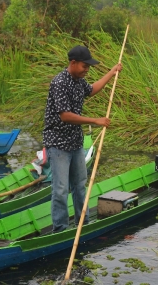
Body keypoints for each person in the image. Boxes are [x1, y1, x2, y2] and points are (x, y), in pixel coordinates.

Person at [43, 45, 122, 233]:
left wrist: (111, 73)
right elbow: (65, 115)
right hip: (58, 143)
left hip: (75, 142)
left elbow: (92, 89)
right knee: (61, 189)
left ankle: (82, 223)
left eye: (89, 67)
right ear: (73, 63)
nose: (87, 70)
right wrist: (96, 120)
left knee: (79, 185)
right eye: (84, 66)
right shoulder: (60, 82)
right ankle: (60, 229)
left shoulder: (79, 81)